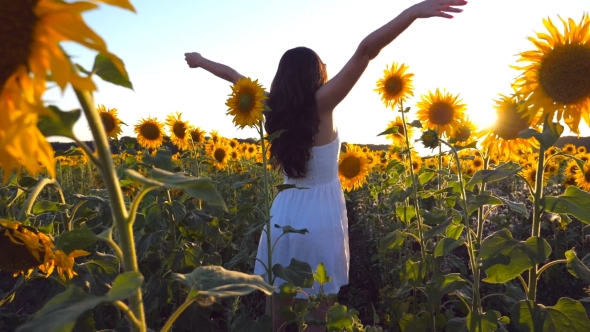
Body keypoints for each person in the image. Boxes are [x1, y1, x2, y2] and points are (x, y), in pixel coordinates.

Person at [185, 1, 467, 330]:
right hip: (320, 219)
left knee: (276, 314)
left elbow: (233, 76)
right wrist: (411, 13)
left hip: (283, 217)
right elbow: (365, 51)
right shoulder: (323, 103)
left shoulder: (269, 108)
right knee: (319, 317)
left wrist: (201, 61)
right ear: (315, 74)